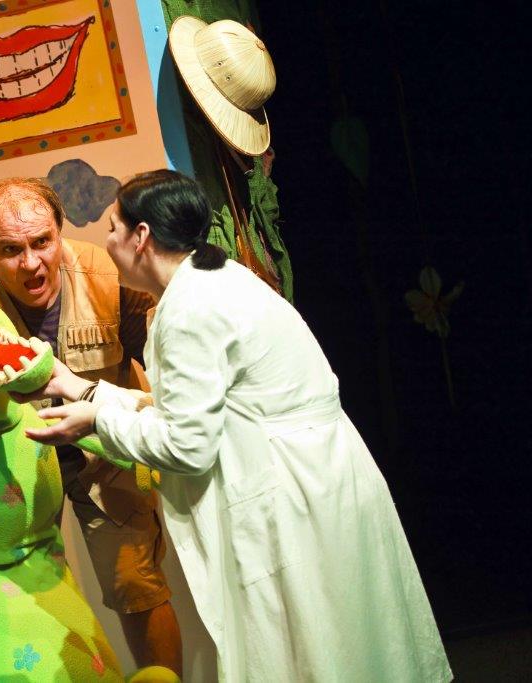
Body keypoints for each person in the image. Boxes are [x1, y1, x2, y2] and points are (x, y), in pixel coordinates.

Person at [25, 170, 452, 682]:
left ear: (141, 237)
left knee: (317, 651)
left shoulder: (190, 311)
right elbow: (188, 410)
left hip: (289, 494)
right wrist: (82, 388)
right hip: (313, 475)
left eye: (112, 228)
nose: (107, 243)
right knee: (343, 644)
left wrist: (95, 419)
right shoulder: (214, 280)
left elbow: (187, 445)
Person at [0, 177, 183, 673]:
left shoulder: (108, 276)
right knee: (23, 595)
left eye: (42, 242)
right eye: (11, 250)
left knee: (136, 584)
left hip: (105, 454)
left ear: (59, 232)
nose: (31, 263)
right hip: (15, 466)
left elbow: (168, 382)